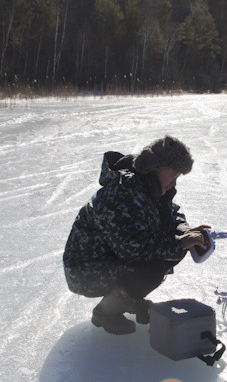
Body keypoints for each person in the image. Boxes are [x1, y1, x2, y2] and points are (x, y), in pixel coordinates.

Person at [63, 136, 209, 335]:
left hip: (109, 259)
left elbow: (171, 213)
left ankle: (127, 300)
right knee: (153, 267)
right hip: (85, 270)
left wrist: (184, 230)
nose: (174, 183)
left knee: (173, 249)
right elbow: (132, 248)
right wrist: (178, 243)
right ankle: (106, 312)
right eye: (173, 174)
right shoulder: (123, 192)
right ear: (155, 167)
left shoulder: (150, 186)